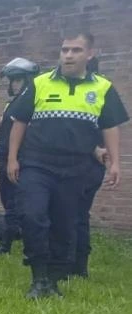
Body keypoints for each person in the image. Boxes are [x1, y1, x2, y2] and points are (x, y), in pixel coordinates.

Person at [7, 31, 127, 298]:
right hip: (38, 164)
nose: (69, 55)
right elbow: (20, 122)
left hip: (76, 167)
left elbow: (110, 127)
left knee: (65, 224)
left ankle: (53, 279)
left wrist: (116, 163)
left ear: (90, 54)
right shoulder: (40, 83)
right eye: (65, 50)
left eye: (75, 50)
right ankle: (38, 278)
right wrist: (12, 158)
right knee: (32, 215)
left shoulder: (103, 88)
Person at [0, 57, 40, 255]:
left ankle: (20, 246)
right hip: (5, 157)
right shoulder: (13, 103)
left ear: (27, 80)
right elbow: (8, 134)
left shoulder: (31, 102)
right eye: (12, 80)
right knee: (9, 202)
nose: (14, 84)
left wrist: (15, 159)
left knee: (20, 204)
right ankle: (7, 243)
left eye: (17, 80)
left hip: (19, 160)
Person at [71, 56, 110, 279]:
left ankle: (75, 265)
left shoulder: (91, 93)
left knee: (72, 214)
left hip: (84, 163)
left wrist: (94, 148)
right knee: (79, 214)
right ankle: (78, 265)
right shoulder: (104, 90)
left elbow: (78, 132)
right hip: (93, 164)